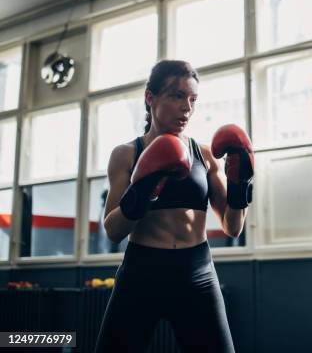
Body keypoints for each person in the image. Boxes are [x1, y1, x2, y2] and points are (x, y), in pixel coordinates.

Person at [95, 60, 254, 353]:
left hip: (197, 273)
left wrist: (239, 183)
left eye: (193, 99)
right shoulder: (126, 154)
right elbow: (112, 230)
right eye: (177, 96)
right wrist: (142, 190)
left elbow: (233, 227)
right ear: (150, 97)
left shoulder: (203, 154)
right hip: (141, 273)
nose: (187, 108)